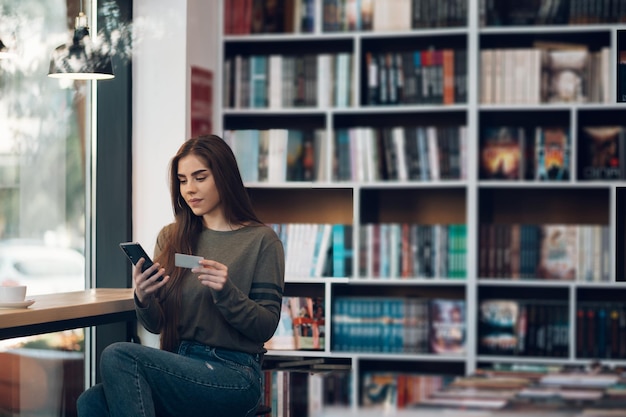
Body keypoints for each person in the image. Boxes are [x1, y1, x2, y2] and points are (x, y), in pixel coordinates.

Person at [77, 135, 285, 417]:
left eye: (200, 177)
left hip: (234, 373)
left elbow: (265, 327)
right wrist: (144, 297)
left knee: (118, 355)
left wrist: (227, 293)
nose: (190, 189)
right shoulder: (171, 236)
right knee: (91, 401)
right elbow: (156, 325)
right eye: (183, 180)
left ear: (224, 177)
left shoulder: (262, 241)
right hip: (177, 363)